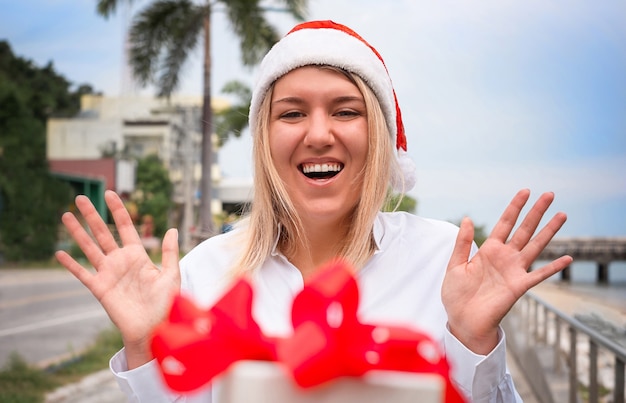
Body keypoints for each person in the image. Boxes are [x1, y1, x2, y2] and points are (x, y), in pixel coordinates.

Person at [55, 20, 572, 402]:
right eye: (292, 113)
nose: (319, 134)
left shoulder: (444, 262)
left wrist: (474, 341)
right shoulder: (201, 273)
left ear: (380, 139)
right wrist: (147, 348)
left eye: (346, 111)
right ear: (264, 140)